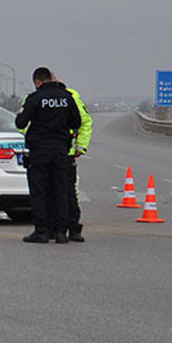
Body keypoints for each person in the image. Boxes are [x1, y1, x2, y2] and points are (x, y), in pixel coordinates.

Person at [14, 66, 82, 244]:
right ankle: (61, 233)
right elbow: (76, 122)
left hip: (40, 151)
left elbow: (20, 123)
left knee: (40, 191)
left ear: (37, 82)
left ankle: (42, 232)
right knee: (60, 190)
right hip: (61, 151)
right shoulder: (67, 98)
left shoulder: (35, 98)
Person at [58, 77, 93, 242]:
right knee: (63, 192)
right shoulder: (68, 98)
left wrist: (81, 146)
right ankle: (61, 228)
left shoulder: (72, 98)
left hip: (65, 153)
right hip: (57, 152)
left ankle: (70, 227)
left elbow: (85, 122)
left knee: (67, 192)